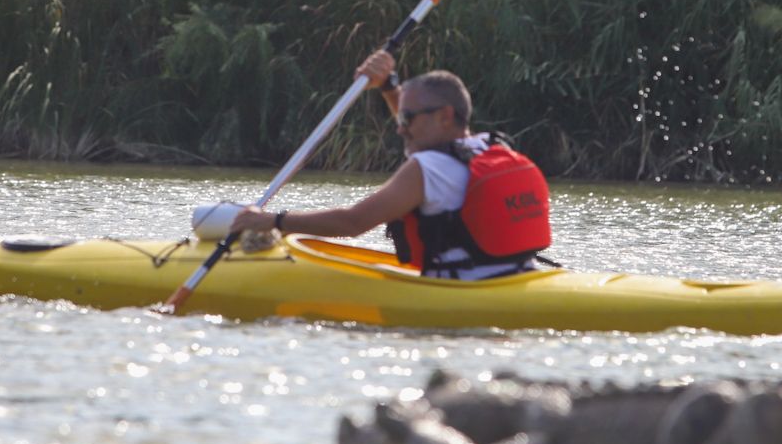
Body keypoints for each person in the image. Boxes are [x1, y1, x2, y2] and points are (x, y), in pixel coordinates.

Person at [228, 51, 552, 279]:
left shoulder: (427, 168)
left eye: (407, 118)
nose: (399, 127)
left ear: (445, 116)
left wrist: (271, 220)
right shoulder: (490, 146)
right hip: (518, 278)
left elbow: (353, 222)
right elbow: (427, 135)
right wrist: (387, 85)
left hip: (460, 291)